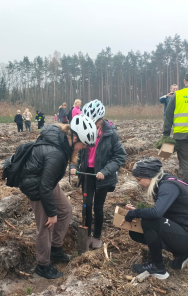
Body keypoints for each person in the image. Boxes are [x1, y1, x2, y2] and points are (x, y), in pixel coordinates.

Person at [19, 115, 97, 279]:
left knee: (65, 209)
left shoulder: (64, 140)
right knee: (47, 223)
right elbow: (44, 188)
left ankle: (55, 248)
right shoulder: (57, 154)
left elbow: (48, 182)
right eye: (83, 144)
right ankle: (43, 265)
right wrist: (52, 214)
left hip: (45, 180)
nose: (83, 148)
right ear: (75, 137)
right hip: (35, 185)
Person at [71, 100, 126, 249]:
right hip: (87, 173)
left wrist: (105, 171)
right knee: (86, 205)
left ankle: (96, 236)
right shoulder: (82, 130)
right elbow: (76, 150)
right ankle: (86, 234)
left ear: (101, 120)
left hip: (102, 174)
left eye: (93, 122)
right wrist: (74, 166)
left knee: (98, 207)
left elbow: (120, 156)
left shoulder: (111, 134)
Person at [121, 157, 188, 280]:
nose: (139, 183)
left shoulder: (168, 186)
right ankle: (181, 254)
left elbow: (156, 213)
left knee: (149, 222)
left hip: (185, 234)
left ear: (148, 176)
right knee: (136, 232)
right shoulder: (165, 181)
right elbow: (164, 211)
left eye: (139, 179)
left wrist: (134, 213)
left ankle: (158, 267)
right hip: (182, 230)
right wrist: (136, 210)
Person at [163, 72, 188, 183]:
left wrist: (166, 135)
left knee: (185, 165)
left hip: (181, 136)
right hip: (181, 136)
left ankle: (184, 191)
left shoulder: (177, 95)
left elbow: (168, 117)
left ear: (184, 81)